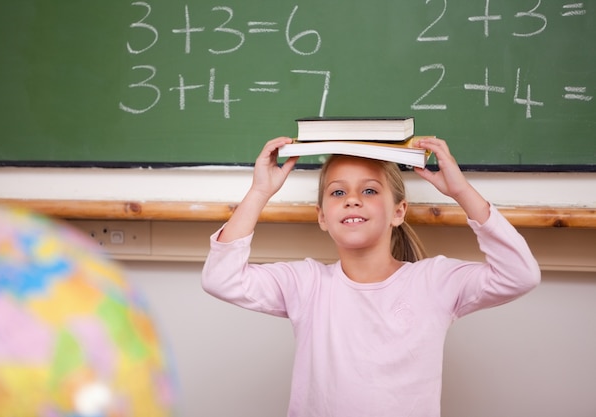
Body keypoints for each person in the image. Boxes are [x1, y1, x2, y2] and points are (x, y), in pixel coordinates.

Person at [201, 136, 540, 417]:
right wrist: (260, 192)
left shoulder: (433, 282)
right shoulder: (307, 284)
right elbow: (221, 279)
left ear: (398, 211)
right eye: (337, 192)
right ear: (322, 217)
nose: (351, 200)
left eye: (369, 191)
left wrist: (461, 190)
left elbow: (520, 274)